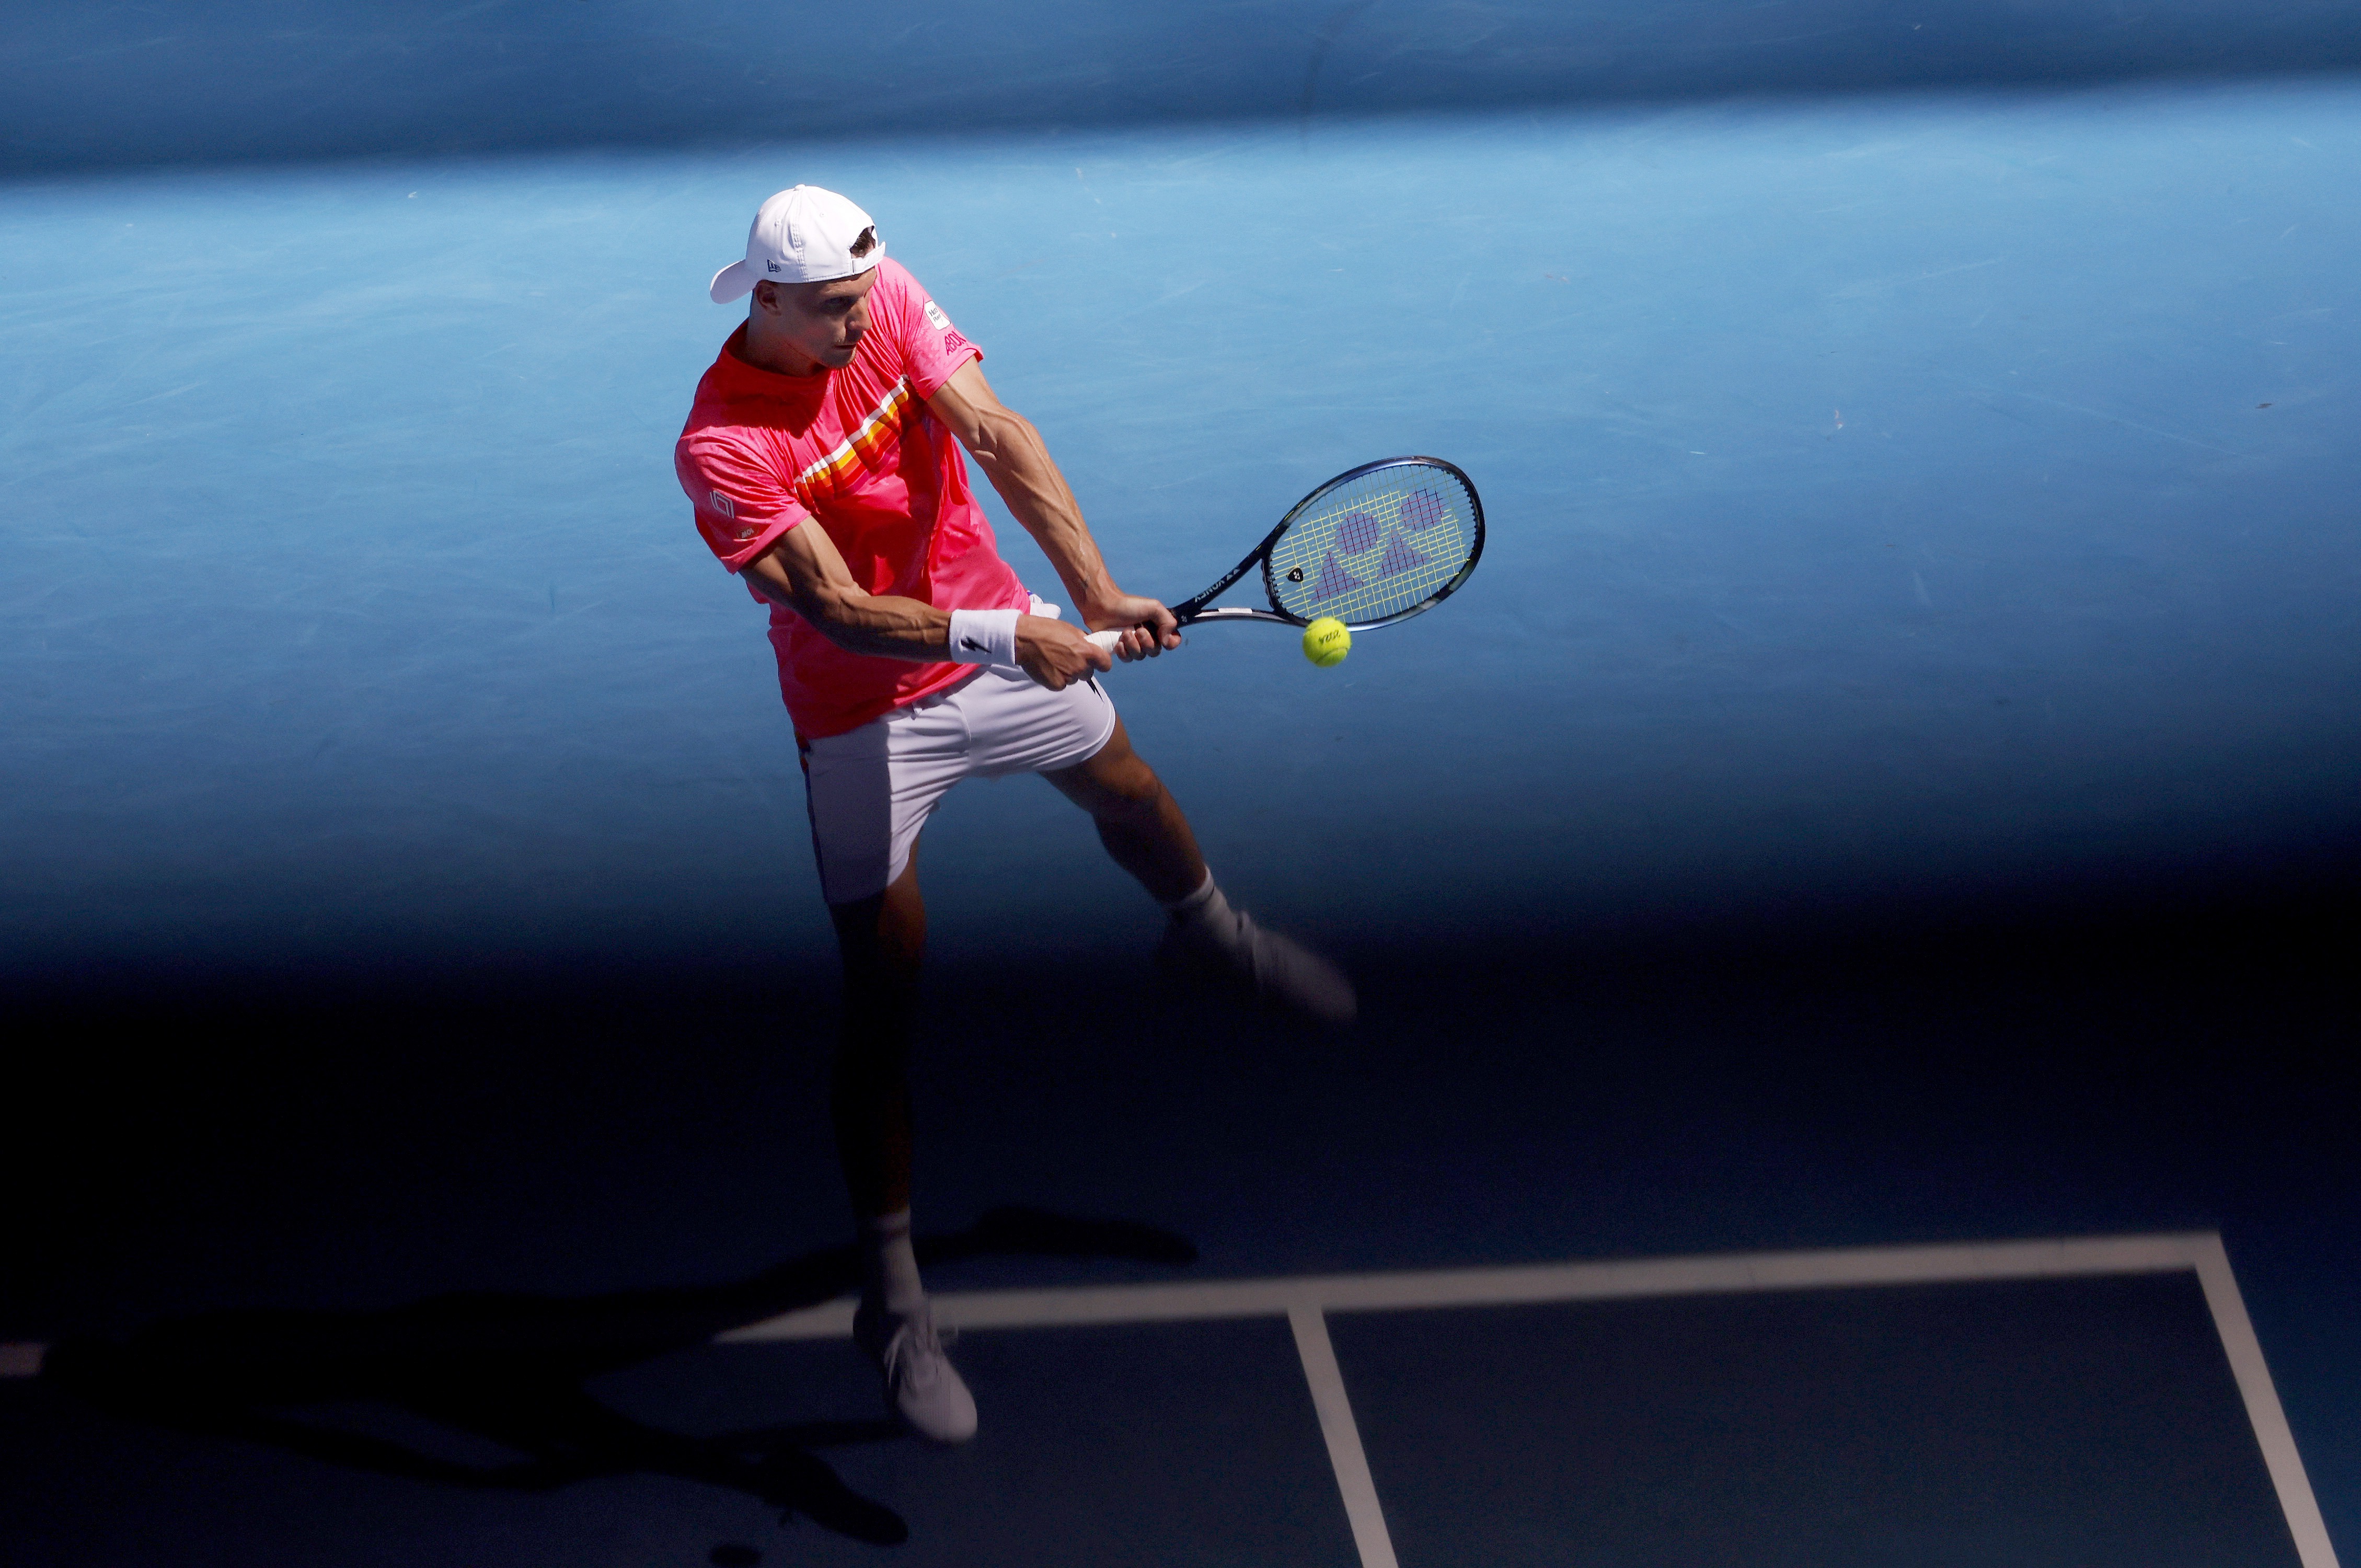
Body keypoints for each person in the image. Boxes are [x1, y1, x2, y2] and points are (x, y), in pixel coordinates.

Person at [674, 186, 1354, 1445]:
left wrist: (1091, 589)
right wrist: (1010, 638)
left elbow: (994, 431)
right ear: (765, 298)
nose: (858, 321)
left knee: (1128, 787)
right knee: (885, 991)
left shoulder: (885, 300)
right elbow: (834, 608)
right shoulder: (721, 443)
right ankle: (894, 1303)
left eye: (863, 298)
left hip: (999, 636)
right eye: (832, 309)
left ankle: (1210, 936)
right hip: (863, 715)